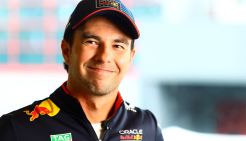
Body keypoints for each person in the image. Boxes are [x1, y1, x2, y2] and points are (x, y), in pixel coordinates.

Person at [0, 0, 164, 140]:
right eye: (92, 42)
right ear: (67, 51)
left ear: (131, 57)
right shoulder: (16, 129)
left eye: (118, 46)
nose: (104, 56)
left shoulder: (147, 127)